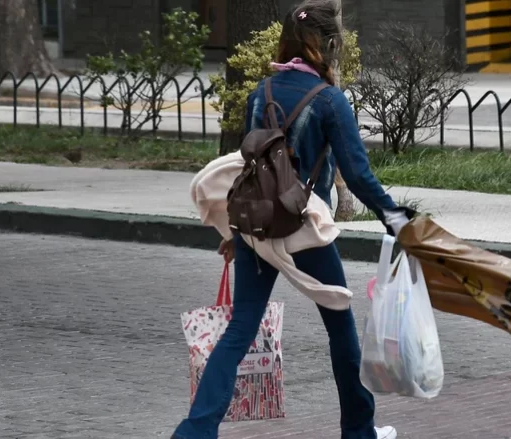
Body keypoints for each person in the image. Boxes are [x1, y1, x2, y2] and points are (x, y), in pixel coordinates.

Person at [172, 1, 414, 438]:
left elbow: (248, 168)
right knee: (341, 329)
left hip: (258, 227)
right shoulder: (329, 101)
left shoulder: (259, 92)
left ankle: (193, 432)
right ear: (329, 45)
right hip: (305, 228)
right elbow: (357, 174)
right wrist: (393, 216)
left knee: (240, 328)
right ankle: (360, 433)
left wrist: (234, 232)